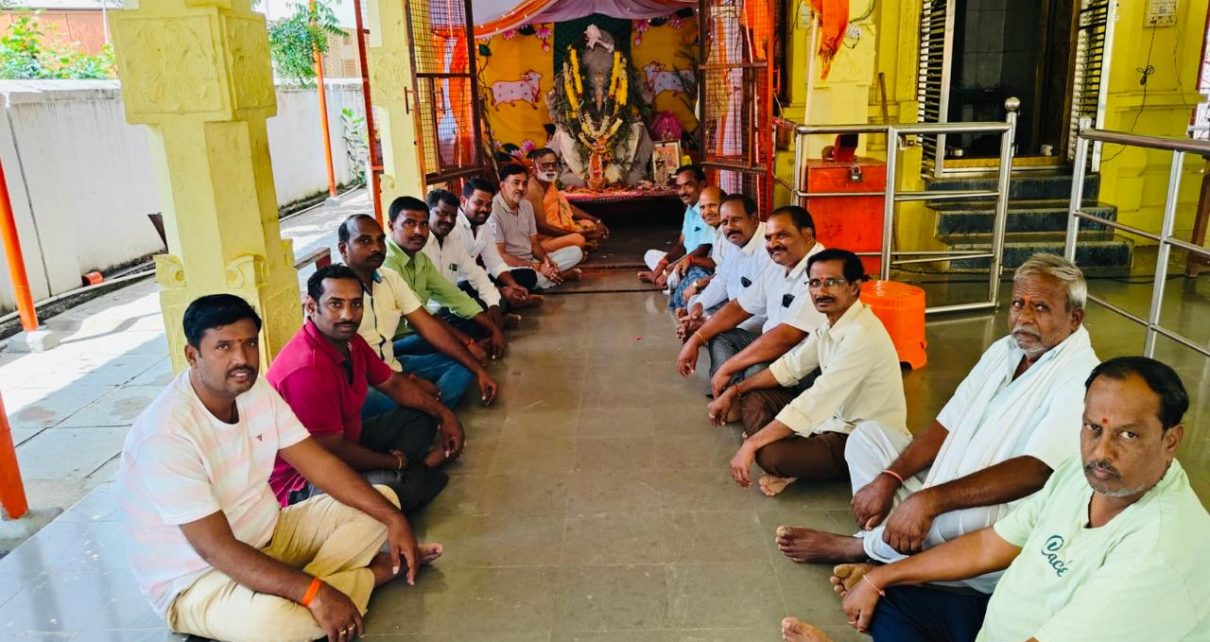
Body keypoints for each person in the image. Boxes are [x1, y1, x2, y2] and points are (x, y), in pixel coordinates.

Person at [781, 356, 1209, 642]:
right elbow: (990, 545)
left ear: (1171, 440)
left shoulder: (1159, 548)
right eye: (1092, 428)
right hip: (996, 626)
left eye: (1128, 435)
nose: (1101, 452)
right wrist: (881, 577)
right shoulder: (1081, 478)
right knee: (893, 599)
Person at [117, 294, 442, 642]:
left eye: (249, 344)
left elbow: (321, 466)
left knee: (383, 501)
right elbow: (216, 549)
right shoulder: (165, 434)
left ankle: (302, 593)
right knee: (275, 623)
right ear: (192, 355)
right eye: (223, 347)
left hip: (273, 533)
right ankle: (369, 576)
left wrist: (393, 518)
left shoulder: (254, 389)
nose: (241, 359)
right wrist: (314, 592)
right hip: (199, 579)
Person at [774, 255, 1100, 597]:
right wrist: (891, 478)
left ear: (1074, 318)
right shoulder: (1004, 350)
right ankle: (902, 551)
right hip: (946, 482)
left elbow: (1036, 470)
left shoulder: (1081, 377)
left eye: (1041, 307)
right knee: (866, 438)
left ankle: (862, 549)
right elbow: (946, 423)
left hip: (1000, 515)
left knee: (971, 518)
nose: (1024, 317)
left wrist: (930, 501)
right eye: (1018, 303)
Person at [712, 249, 910, 497]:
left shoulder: (862, 334)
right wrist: (735, 390)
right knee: (755, 396)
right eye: (814, 283)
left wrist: (753, 442)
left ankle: (790, 459)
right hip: (828, 420)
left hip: (856, 436)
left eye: (832, 282)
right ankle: (790, 452)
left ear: (854, 287)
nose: (821, 291)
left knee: (770, 455)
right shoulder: (831, 323)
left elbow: (818, 398)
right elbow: (790, 367)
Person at [267, 265, 463, 514]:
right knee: (394, 488)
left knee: (422, 415)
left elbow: (394, 384)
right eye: (336, 304)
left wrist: (445, 415)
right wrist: (394, 462)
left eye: (356, 304)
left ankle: (406, 474)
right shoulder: (306, 368)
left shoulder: (350, 341)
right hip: (305, 480)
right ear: (312, 307)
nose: (348, 315)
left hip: (349, 441)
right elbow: (332, 451)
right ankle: (414, 471)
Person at [337, 214, 498, 412]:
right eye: (365, 241)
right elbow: (344, 365)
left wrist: (479, 370)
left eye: (380, 240)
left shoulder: (390, 279)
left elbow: (428, 326)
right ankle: (427, 412)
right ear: (343, 249)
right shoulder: (333, 293)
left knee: (464, 366)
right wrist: (406, 382)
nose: (376, 248)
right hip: (362, 383)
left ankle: (421, 413)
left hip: (392, 363)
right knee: (387, 401)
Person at [676, 205, 825, 393]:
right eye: (768, 238)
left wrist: (729, 367)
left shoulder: (821, 272)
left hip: (804, 364)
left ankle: (734, 392)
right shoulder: (780, 263)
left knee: (756, 371)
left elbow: (785, 337)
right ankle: (728, 393)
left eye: (782, 235)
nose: (772, 244)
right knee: (722, 337)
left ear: (807, 235)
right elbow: (739, 307)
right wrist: (696, 339)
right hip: (772, 345)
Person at [383, 196, 506, 360]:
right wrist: (467, 343)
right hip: (396, 340)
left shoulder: (420, 258)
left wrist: (493, 328)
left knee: (478, 312)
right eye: (410, 223)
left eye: (423, 224)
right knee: (454, 354)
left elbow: (453, 295)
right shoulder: (387, 263)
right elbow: (422, 318)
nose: (418, 231)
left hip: (424, 327)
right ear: (392, 226)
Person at [424, 188, 520, 331]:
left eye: (453, 216)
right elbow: (439, 298)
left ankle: (486, 323)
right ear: (427, 214)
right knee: (452, 315)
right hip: (432, 312)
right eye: (442, 213)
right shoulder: (420, 245)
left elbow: (476, 274)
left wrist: (493, 305)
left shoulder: (452, 240)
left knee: (495, 301)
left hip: (455, 302)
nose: (449, 220)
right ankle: (487, 325)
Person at [676, 194, 768, 340]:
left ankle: (706, 331)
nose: (730, 227)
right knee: (695, 303)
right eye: (725, 222)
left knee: (724, 335)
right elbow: (722, 280)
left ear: (754, 219)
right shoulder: (736, 240)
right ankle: (702, 327)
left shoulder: (768, 248)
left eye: (736, 220)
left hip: (759, 316)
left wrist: (709, 322)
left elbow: (756, 307)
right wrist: (699, 306)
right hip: (733, 307)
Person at [490, 163, 584, 288]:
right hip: (510, 266)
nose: (521, 188)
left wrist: (545, 260)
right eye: (516, 183)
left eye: (524, 184)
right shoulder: (493, 211)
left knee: (576, 252)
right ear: (502, 185)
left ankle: (550, 274)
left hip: (530, 260)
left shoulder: (526, 206)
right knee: (530, 278)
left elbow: (534, 243)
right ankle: (560, 276)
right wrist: (538, 267)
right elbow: (501, 256)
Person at [456, 177, 541, 307]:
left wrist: (513, 286)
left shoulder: (483, 225)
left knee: (528, 276)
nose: (484, 209)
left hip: (479, 278)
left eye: (488, 205)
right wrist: (501, 291)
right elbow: (466, 275)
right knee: (466, 290)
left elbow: (494, 262)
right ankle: (508, 301)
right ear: (463, 201)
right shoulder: (453, 226)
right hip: (459, 282)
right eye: (478, 203)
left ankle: (509, 299)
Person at [639, 165, 713, 289]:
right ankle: (661, 277)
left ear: (701, 185)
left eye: (688, 185)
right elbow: (680, 245)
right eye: (679, 187)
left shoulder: (708, 211)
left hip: (698, 262)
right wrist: (663, 263)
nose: (682, 192)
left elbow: (703, 250)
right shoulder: (690, 209)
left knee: (676, 275)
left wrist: (669, 270)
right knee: (650, 254)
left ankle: (662, 280)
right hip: (685, 258)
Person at [526, 147, 610, 246]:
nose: (551, 169)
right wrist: (581, 234)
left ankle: (578, 244)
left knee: (589, 224)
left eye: (554, 165)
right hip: (541, 238)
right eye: (545, 165)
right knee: (578, 239)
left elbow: (566, 207)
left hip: (556, 228)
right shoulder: (532, 189)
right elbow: (542, 226)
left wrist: (596, 220)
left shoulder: (548, 183)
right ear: (534, 167)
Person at [667, 185, 724, 311]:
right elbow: (716, 261)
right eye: (702, 207)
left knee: (694, 294)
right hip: (716, 278)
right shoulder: (716, 230)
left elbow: (729, 276)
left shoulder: (729, 233)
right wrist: (690, 260)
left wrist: (697, 284)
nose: (706, 212)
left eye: (712, 205)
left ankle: (694, 310)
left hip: (731, 289)